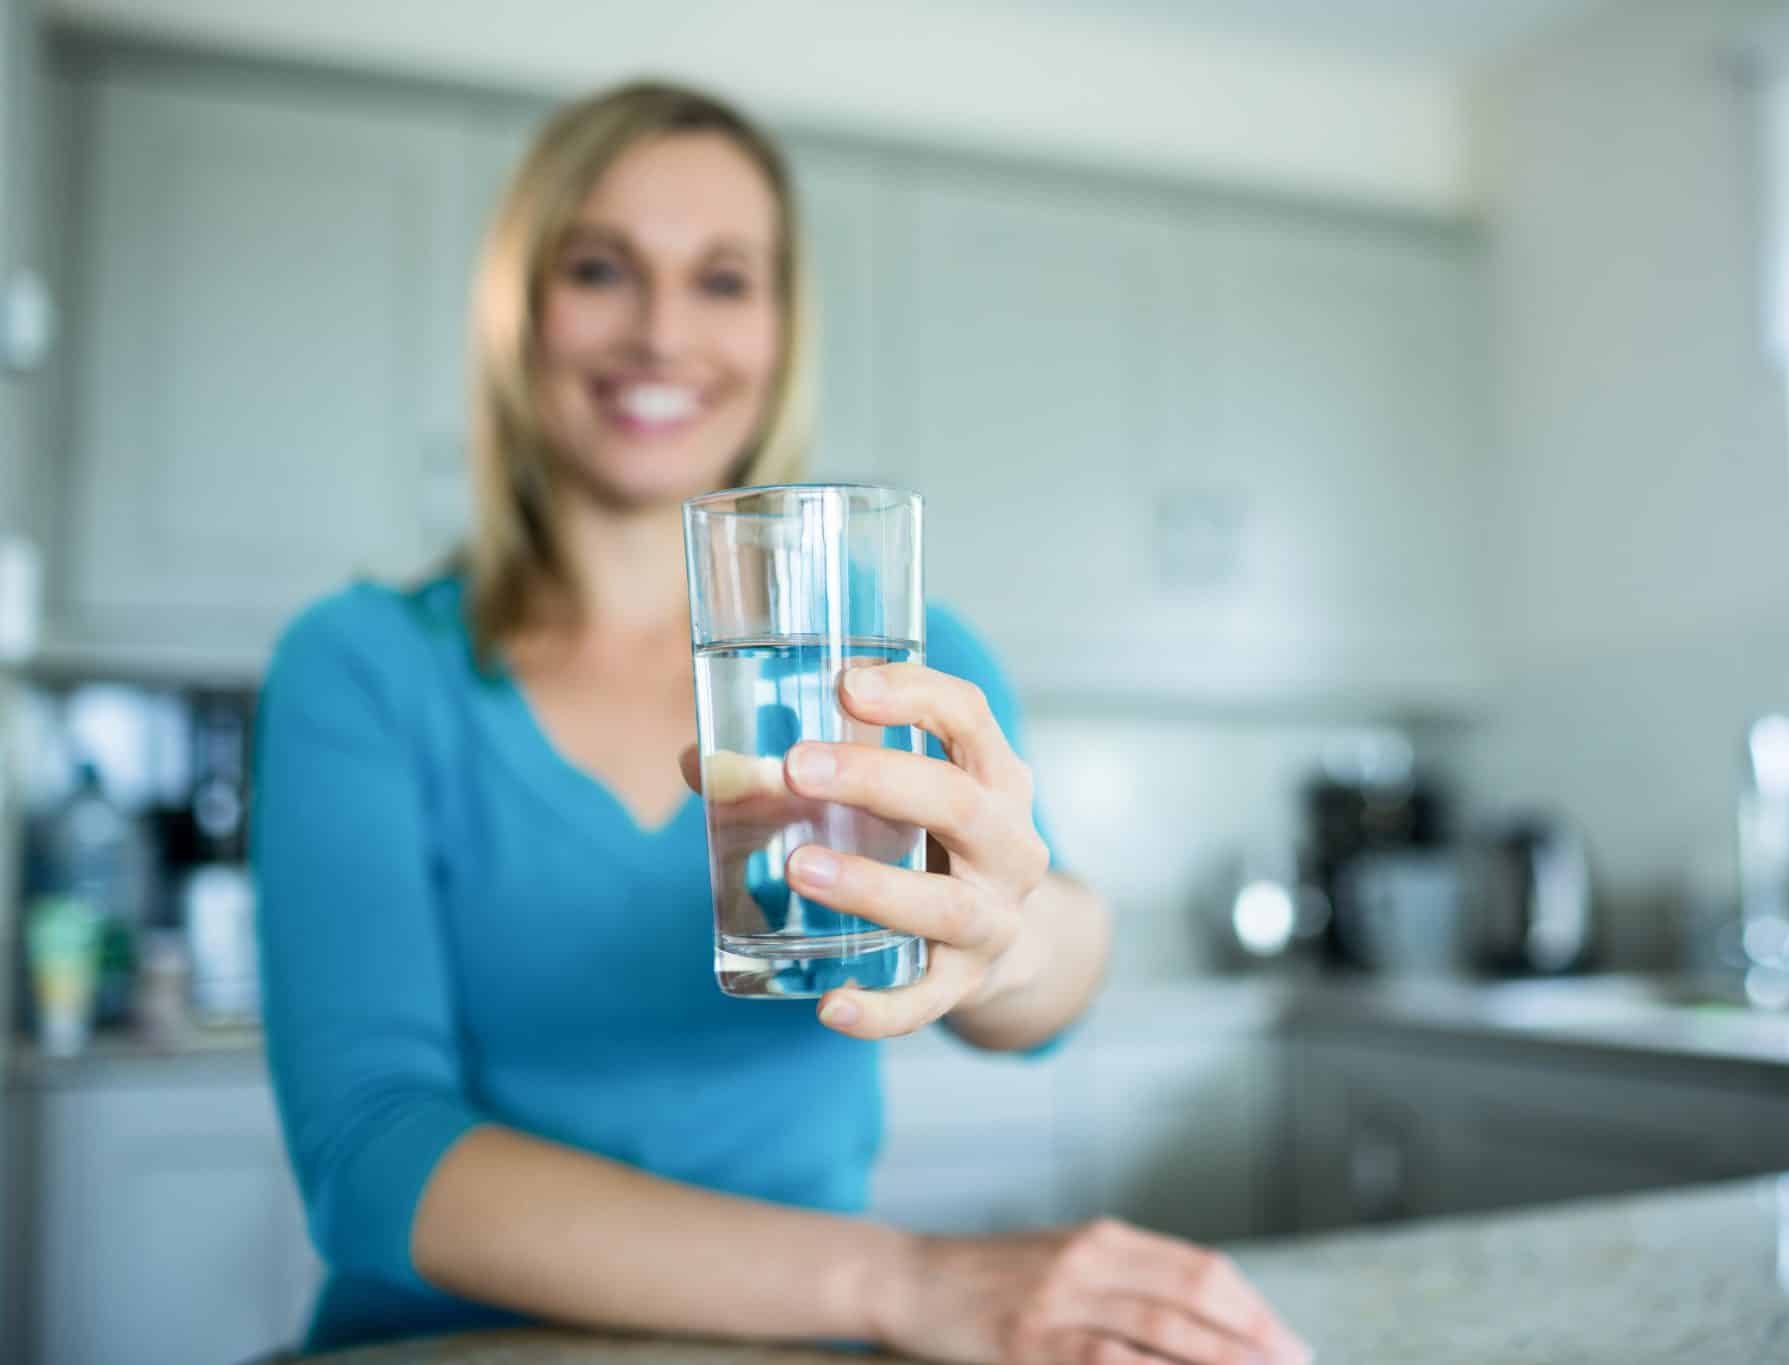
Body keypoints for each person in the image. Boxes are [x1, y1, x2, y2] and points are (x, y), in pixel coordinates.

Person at [253, 79, 1311, 1365]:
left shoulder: (899, 649)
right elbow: (370, 1152)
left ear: (782, 327)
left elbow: (1048, 975)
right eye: (600, 268)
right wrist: (902, 1283)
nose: (658, 331)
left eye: (722, 278)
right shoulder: (360, 668)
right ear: (519, 309)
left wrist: (1009, 936)